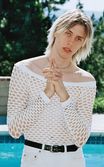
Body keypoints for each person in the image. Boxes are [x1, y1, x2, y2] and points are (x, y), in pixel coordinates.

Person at [7, 9, 96, 167]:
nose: (71, 42)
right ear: (56, 31)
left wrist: (63, 94)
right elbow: (14, 130)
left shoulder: (86, 81)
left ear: (83, 44)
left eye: (78, 38)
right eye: (68, 33)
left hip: (72, 161)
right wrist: (46, 94)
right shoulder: (24, 69)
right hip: (34, 160)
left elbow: (81, 138)